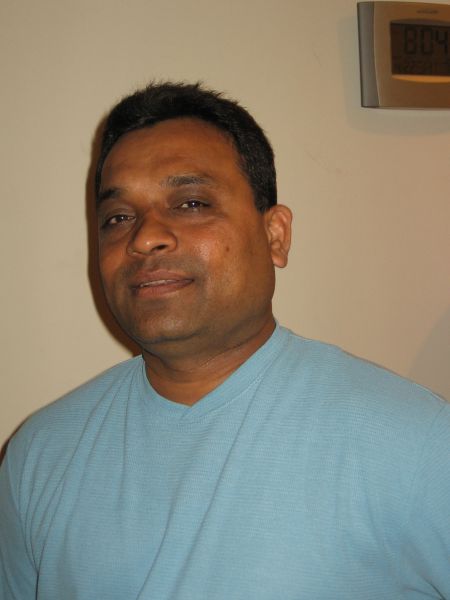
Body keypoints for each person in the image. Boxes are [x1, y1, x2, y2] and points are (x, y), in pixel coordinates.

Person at [0, 81, 449, 600]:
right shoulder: (41, 453)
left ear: (275, 235)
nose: (144, 237)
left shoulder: (415, 444)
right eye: (118, 218)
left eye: (191, 203)